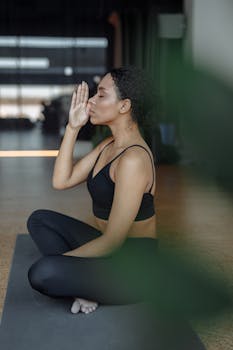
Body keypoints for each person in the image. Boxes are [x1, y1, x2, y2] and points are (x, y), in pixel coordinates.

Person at [27, 66, 158, 315]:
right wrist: (73, 127)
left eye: (101, 94)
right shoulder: (109, 144)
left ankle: (78, 281)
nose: (91, 101)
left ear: (124, 106)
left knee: (43, 271)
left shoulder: (133, 160)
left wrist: (63, 263)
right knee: (40, 219)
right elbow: (61, 181)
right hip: (109, 251)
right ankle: (82, 284)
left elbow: (113, 241)